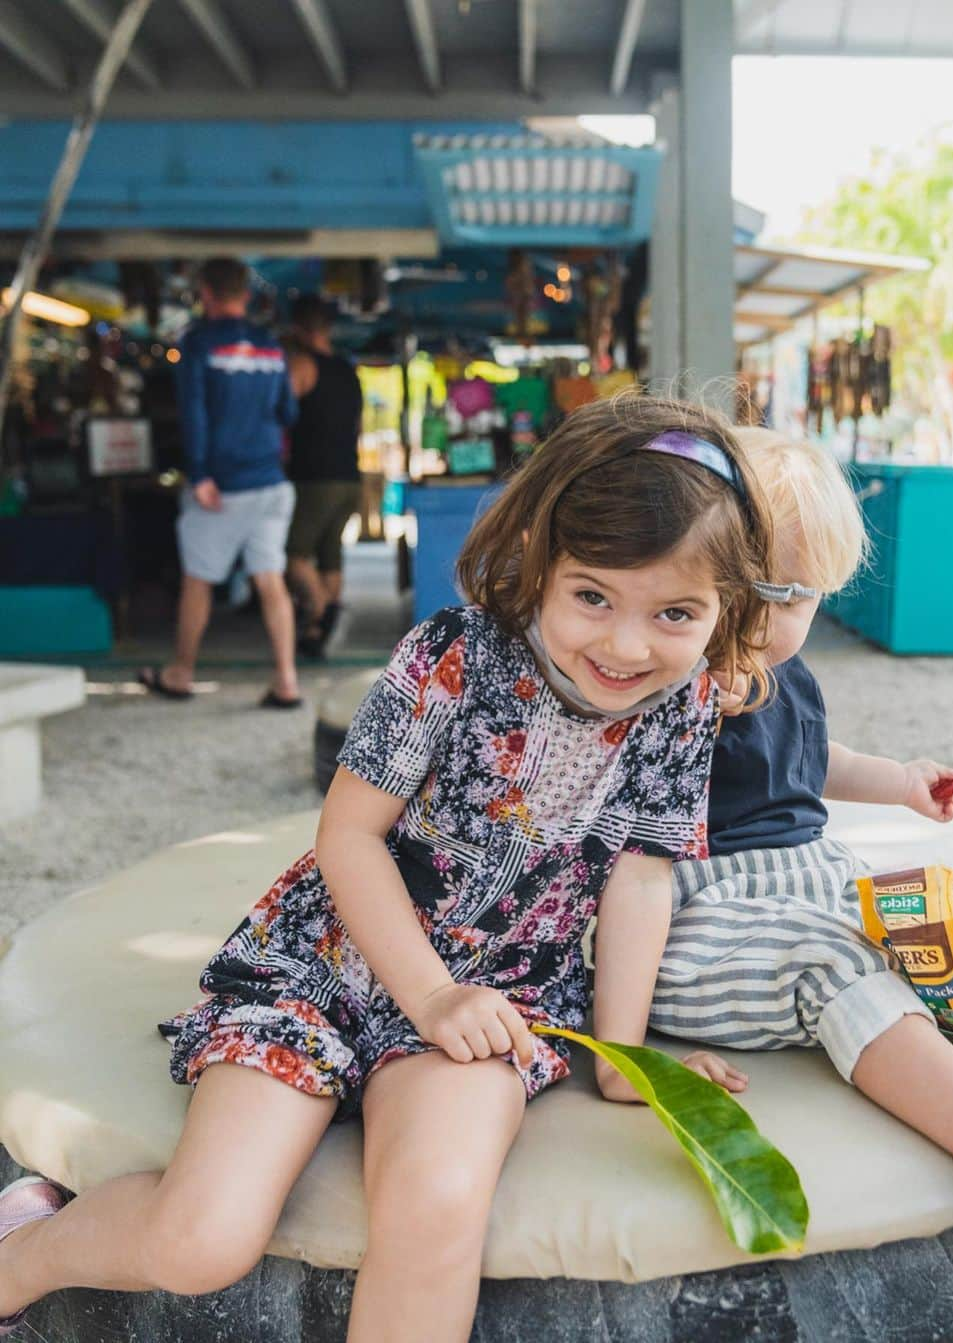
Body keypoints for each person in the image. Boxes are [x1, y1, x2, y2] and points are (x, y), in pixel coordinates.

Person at [0, 397, 769, 1343]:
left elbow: (642, 874)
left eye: (677, 612)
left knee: (438, 1205)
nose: (626, 644)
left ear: (729, 606)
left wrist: (625, 1054)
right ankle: (21, 1254)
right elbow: (349, 836)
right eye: (593, 595)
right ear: (539, 554)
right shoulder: (455, 655)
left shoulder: (685, 703)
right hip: (326, 972)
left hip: (499, 1005)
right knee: (203, 1238)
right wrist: (430, 992)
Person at [650, 427, 953, 1285]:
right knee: (834, 958)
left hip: (814, 869)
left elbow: (813, 757)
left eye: (799, 596)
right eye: (752, 590)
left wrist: (904, 781)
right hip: (696, 913)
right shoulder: (661, 680)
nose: (771, 621)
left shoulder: (788, 671)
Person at [139, 257, 301, 709]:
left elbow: (194, 412)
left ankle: (181, 673)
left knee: (198, 581)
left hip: (223, 487)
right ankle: (287, 680)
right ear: (245, 295)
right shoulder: (271, 345)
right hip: (272, 483)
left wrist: (200, 473)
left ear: (205, 294)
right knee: (271, 581)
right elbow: (289, 413)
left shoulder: (199, 343)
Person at [284, 294, 364, 658]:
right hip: (349, 475)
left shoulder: (301, 364)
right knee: (331, 555)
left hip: (316, 477)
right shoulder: (348, 371)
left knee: (293, 555)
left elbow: (282, 413)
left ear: (299, 328)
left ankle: (323, 611)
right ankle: (318, 633)